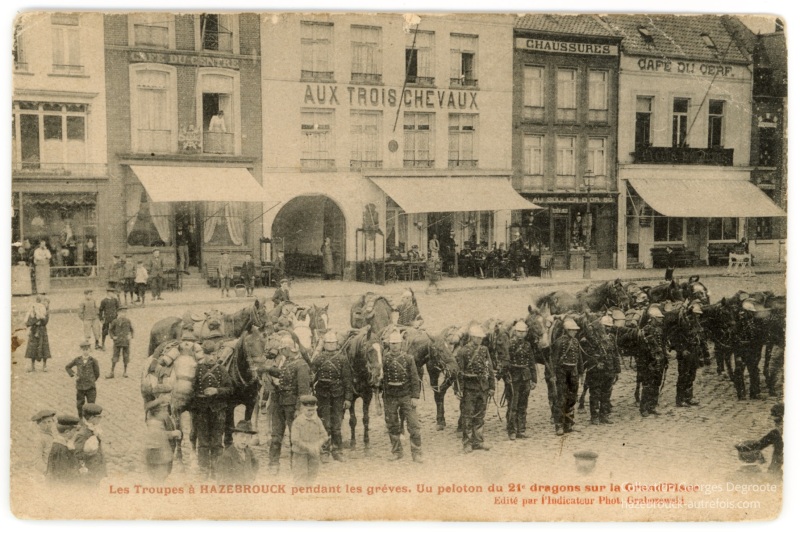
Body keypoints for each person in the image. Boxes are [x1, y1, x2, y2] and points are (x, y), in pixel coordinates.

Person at [266, 334, 312, 475]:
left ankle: (296, 464)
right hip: (280, 403)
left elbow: (304, 391)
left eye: (282, 350)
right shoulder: (287, 362)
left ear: (287, 349)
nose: (281, 353)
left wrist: (299, 408)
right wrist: (268, 369)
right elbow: (283, 374)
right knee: (276, 435)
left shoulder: (302, 365)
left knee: (295, 437)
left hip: (292, 406)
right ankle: (274, 463)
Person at [192, 333, 234, 479]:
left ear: (217, 354)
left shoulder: (222, 370)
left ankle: (217, 469)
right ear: (203, 354)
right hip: (201, 411)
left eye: (213, 354)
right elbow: (192, 390)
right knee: (202, 441)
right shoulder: (198, 369)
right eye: (207, 354)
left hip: (218, 411)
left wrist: (217, 391)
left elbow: (230, 390)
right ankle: (203, 469)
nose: (210, 357)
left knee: (217, 442)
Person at [311, 330, 353, 462]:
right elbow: (312, 377)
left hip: (337, 395)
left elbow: (347, 380)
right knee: (325, 423)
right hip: (322, 395)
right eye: (328, 343)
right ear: (324, 344)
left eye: (332, 343)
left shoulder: (342, 359)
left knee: (336, 424)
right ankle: (324, 451)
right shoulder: (318, 359)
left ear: (336, 344)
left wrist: (348, 398)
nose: (330, 345)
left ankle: (337, 450)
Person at [382, 330, 423, 462]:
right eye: (392, 344)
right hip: (390, 396)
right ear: (389, 344)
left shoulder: (408, 359)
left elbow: (415, 379)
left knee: (414, 425)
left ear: (401, 344)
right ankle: (397, 451)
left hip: (406, 396)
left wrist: (415, 397)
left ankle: (416, 453)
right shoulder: (385, 359)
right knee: (392, 425)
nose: (394, 346)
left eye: (397, 343)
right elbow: (381, 379)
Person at [457, 325, 495, 452]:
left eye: (481, 338)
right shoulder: (462, 351)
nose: (480, 340)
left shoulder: (484, 350)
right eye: (477, 338)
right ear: (472, 337)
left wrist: (492, 386)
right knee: (467, 416)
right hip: (469, 388)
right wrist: (459, 389)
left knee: (480, 416)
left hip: (483, 387)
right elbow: (459, 372)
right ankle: (467, 443)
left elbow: (489, 369)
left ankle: (478, 441)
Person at [498, 322, 536, 440]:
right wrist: (506, 377)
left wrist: (534, 379)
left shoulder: (528, 345)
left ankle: (521, 430)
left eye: (523, 332)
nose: (521, 334)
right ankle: (511, 431)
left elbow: (531, 362)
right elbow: (504, 362)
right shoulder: (509, 344)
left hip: (525, 377)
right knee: (513, 405)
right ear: (515, 332)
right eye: (519, 332)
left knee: (523, 405)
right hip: (513, 378)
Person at [582, 317, 621, 425]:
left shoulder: (612, 338)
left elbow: (615, 354)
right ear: (600, 326)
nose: (608, 329)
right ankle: (594, 416)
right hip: (596, 371)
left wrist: (617, 370)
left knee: (606, 394)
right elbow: (587, 354)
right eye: (606, 326)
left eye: (609, 327)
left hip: (609, 370)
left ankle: (604, 415)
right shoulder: (591, 338)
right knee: (595, 393)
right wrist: (595, 362)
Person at [551, 318, 584, 435]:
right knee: (561, 399)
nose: (575, 332)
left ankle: (568, 423)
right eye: (572, 330)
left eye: (575, 330)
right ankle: (559, 425)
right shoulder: (559, 342)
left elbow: (579, 359)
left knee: (572, 398)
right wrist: (553, 375)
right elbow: (554, 360)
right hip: (562, 372)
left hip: (573, 372)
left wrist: (581, 373)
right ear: (567, 330)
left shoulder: (576, 342)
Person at [733, 299, 767, 401]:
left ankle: (755, 392)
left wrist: (757, 353)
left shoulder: (756, 323)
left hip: (752, 351)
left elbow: (759, 339)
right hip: (741, 351)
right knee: (739, 371)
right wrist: (738, 355)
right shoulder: (738, 324)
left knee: (754, 371)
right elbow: (734, 340)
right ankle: (741, 393)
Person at [736, 403, 783, 475]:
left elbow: (758, 446)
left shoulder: (775, 433)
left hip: (777, 468)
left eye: (777, 421)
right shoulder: (775, 433)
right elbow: (758, 445)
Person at [290, 395, 328, 485]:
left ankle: (309, 493)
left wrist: (317, 445)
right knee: (300, 475)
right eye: (308, 410)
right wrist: (308, 447)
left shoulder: (317, 420)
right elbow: (295, 439)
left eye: (313, 410)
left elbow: (324, 436)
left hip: (314, 453)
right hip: (300, 454)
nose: (311, 413)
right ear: (302, 409)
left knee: (313, 475)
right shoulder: (297, 422)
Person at [143, 396, 181, 483]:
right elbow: (157, 435)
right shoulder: (154, 421)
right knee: (158, 478)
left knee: (162, 476)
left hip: (164, 455)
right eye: (164, 409)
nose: (166, 411)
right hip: (157, 456)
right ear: (157, 411)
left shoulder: (164, 418)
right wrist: (172, 434)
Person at [673, 301, 704, 407]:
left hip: (694, 352)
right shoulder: (682, 323)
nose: (699, 315)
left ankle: (688, 397)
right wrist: (681, 350)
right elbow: (675, 338)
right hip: (685, 354)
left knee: (691, 375)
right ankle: (679, 399)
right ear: (692, 313)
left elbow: (699, 338)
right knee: (683, 376)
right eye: (697, 314)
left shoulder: (696, 324)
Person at [639, 307, 667, 418]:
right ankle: (644, 408)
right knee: (647, 385)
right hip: (649, 363)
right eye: (659, 318)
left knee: (656, 384)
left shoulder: (659, 330)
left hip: (658, 362)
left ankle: (652, 406)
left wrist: (663, 359)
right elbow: (646, 347)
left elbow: (661, 346)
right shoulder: (646, 330)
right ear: (653, 319)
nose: (661, 320)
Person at [65, 340, 101, 419]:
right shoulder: (77, 360)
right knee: (79, 404)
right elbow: (67, 367)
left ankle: (90, 418)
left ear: (89, 350)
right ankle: (81, 418)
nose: (85, 352)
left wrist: (91, 380)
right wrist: (73, 374)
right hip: (80, 386)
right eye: (83, 350)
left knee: (91, 404)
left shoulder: (93, 361)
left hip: (90, 387)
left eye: (87, 349)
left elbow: (97, 373)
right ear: (81, 350)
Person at [216, 420, 259, 484]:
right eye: (242, 436)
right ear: (234, 436)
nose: (244, 440)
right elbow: (223, 483)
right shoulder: (226, 457)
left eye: (248, 437)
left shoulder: (249, 452)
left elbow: (255, 467)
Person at [73, 403, 107, 485]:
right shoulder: (83, 434)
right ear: (92, 418)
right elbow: (77, 454)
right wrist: (91, 454)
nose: (100, 419)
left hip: (98, 467)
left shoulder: (94, 429)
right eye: (99, 417)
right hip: (90, 470)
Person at [46, 415, 81, 486]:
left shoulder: (63, 444)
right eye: (74, 431)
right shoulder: (60, 448)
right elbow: (64, 474)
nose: (75, 434)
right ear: (67, 432)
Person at [24, 295, 51, 372]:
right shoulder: (33, 310)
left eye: (47, 303)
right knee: (33, 347)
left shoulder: (47, 312)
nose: (46, 304)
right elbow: (28, 322)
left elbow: (45, 321)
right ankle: (32, 366)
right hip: (34, 330)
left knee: (44, 347)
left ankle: (44, 365)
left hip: (42, 331)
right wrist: (35, 319)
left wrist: (38, 319)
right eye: (44, 302)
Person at [107, 306, 134, 378]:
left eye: (125, 312)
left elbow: (132, 329)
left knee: (126, 357)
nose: (123, 314)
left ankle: (125, 372)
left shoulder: (128, 321)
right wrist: (113, 337)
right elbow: (110, 330)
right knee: (115, 357)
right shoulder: (115, 321)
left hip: (126, 342)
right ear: (118, 313)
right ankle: (112, 372)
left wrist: (131, 336)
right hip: (117, 342)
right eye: (122, 312)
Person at [32, 409, 56, 477]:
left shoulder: (52, 434)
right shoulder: (39, 438)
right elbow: (37, 461)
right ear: (38, 424)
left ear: (53, 422)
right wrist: (47, 472)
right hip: (45, 473)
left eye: (49, 421)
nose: (47, 424)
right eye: (44, 422)